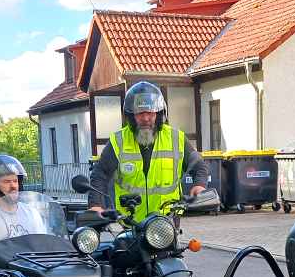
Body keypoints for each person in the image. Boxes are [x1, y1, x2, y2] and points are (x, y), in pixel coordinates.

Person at [88, 81, 208, 221]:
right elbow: (100, 174)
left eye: (150, 113)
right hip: (131, 223)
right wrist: (95, 204)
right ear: (131, 115)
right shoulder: (118, 141)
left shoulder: (176, 138)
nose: (145, 118)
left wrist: (199, 185)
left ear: (159, 113)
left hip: (167, 222)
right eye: (140, 113)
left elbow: (199, 165)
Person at [0, 154, 46, 264]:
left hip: (37, 265)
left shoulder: (31, 212)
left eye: (15, 181)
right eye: (7, 181)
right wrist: (25, 246)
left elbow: (44, 242)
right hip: (5, 273)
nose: (13, 186)